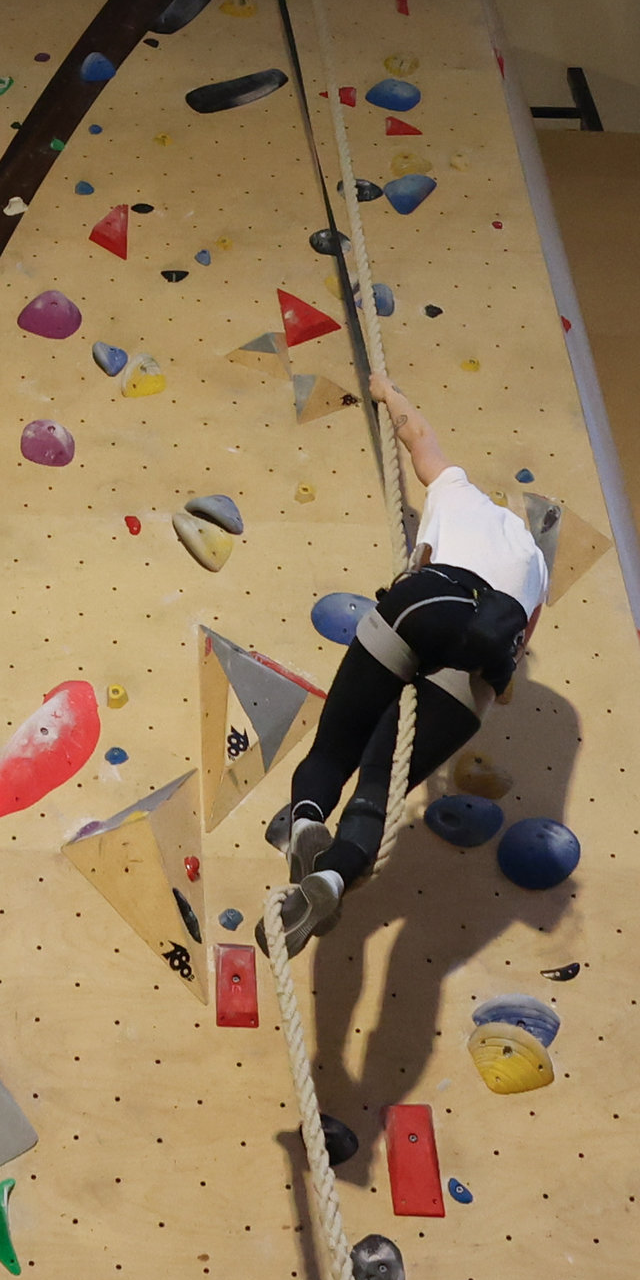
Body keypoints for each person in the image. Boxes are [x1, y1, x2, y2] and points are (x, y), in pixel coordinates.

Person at [266, 368, 548, 952]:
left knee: (333, 748)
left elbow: (417, 436)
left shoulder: (458, 492)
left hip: (431, 597)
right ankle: (331, 877)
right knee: (377, 786)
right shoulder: (536, 568)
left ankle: (305, 821)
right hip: (480, 655)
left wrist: (387, 392)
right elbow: (515, 649)